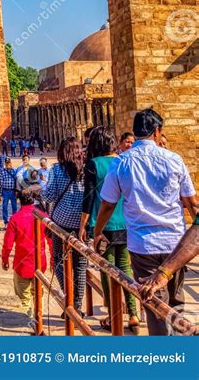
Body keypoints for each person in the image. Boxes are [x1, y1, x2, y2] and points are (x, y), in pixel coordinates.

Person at [93, 108, 196, 336]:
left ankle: (162, 360)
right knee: (176, 301)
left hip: (143, 246)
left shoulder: (121, 163)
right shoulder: (174, 160)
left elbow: (108, 204)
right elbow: (191, 203)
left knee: (155, 305)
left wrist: (97, 232)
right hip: (175, 243)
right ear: (157, 131)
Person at [79, 126, 139, 333]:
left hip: (101, 225)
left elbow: (88, 199)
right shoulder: (124, 161)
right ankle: (133, 313)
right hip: (126, 223)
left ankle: (114, 315)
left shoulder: (94, 165)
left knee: (107, 270)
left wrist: (82, 227)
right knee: (125, 268)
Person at [44, 136, 86, 314]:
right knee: (80, 264)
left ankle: (68, 295)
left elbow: (49, 196)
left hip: (61, 223)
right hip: (82, 223)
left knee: (59, 260)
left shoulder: (56, 169)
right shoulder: (86, 170)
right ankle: (77, 303)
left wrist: (39, 190)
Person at [2, 191, 50, 333]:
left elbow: (8, 243)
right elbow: (51, 240)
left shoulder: (16, 218)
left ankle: (30, 318)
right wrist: (54, 258)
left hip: (22, 263)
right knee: (38, 293)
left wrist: (5, 258)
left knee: (23, 294)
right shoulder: (44, 217)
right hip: (39, 262)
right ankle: (37, 319)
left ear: (19, 201)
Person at [139, 215, 199, 301]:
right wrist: (164, 273)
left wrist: (164, 273)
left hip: (147, 244)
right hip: (171, 243)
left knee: (160, 300)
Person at [0, 157, 18, 227]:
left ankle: (14, 221)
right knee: (4, 207)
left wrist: (17, 191)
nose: (8, 165)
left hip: (13, 191)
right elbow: (1, 183)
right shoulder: (2, 171)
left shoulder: (14, 171)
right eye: (6, 163)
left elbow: (16, 181)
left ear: (11, 163)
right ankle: (6, 222)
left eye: (9, 163)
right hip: (5, 191)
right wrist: (0, 194)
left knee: (14, 207)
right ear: (5, 164)